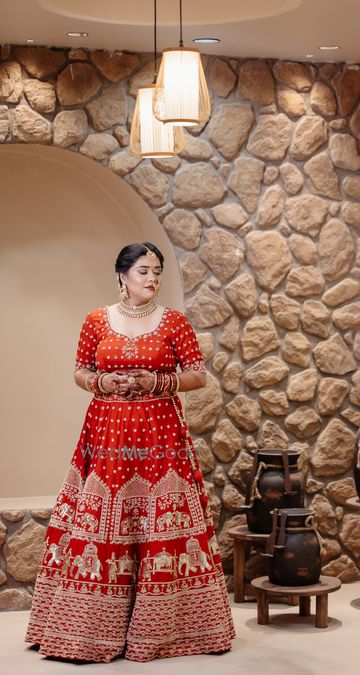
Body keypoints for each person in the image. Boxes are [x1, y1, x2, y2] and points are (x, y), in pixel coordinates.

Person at [24, 242, 235, 662]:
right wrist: (101, 383)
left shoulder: (174, 322)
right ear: (122, 275)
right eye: (143, 271)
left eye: (157, 271)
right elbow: (80, 371)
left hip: (160, 435)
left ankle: (165, 632)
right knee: (102, 522)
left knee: (160, 524)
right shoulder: (96, 320)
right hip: (107, 434)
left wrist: (158, 383)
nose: (152, 278)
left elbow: (198, 376)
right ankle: (84, 634)